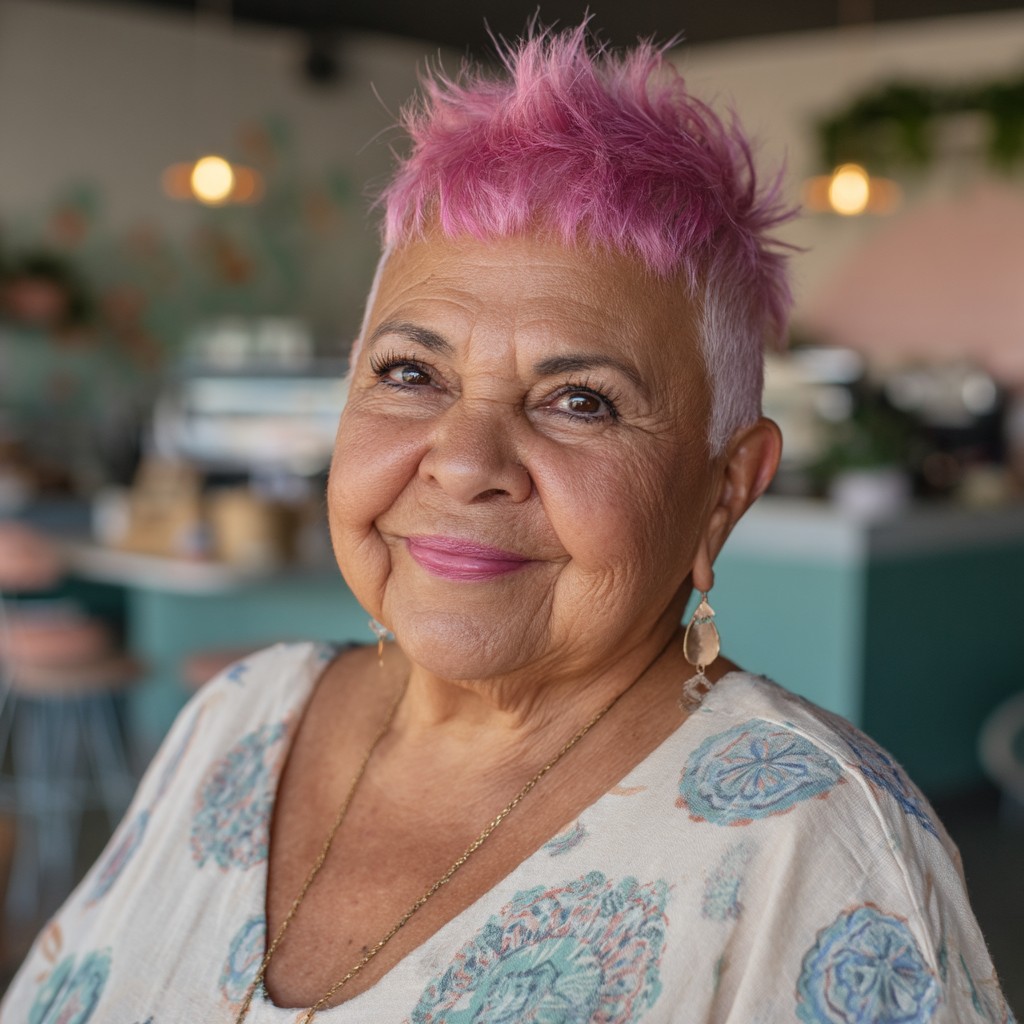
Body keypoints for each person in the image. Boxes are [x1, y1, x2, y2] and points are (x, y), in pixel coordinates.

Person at [2, 25, 1010, 1024]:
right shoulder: (238, 715)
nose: (465, 461)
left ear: (725, 490)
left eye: (580, 399)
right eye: (410, 374)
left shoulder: (817, 846)